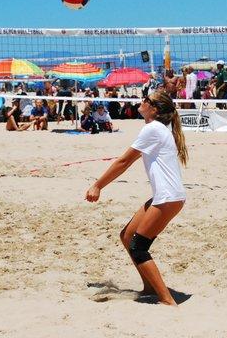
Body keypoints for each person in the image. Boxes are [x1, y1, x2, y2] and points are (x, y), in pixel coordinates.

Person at [85, 91, 188, 306]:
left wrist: (98, 185)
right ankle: (150, 287)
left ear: (155, 109)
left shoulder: (152, 129)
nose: (142, 101)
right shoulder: (157, 129)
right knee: (127, 235)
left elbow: (124, 161)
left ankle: (167, 300)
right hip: (168, 195)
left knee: (138, 247)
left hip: (168, 197)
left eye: (147, 100)